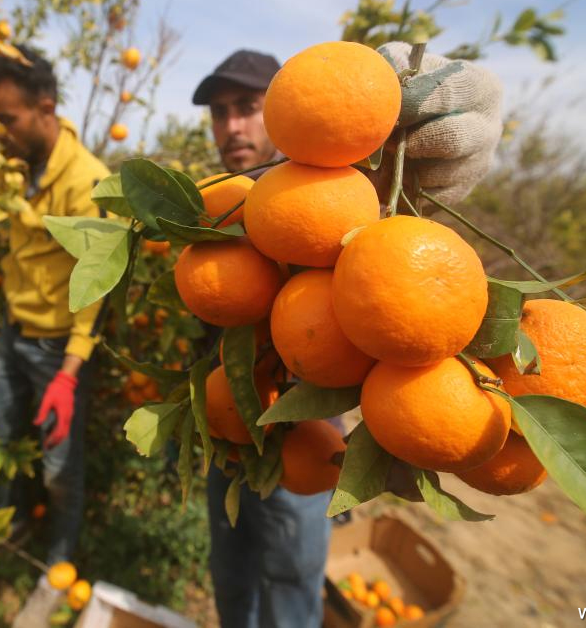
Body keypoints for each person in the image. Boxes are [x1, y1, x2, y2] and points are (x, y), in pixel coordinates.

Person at [191, 43, 503, 627]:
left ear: (281, 107)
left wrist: (392, 130)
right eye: (218, 111)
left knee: (289, 581)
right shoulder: (222, 203)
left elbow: (390, 260)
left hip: (304, 432)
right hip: (228, 426)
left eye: (246, 105)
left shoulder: (347, 190)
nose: (231, 124)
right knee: (229, 571)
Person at [0, 45, 110, 572]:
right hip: (14, 332)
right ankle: (7, 522)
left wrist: (70, 375)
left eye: (6, 119)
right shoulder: (14, 164)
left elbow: (98, 286)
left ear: (45, 109)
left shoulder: (85, 183)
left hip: (59, 349)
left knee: (58, 467)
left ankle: (60, 558)